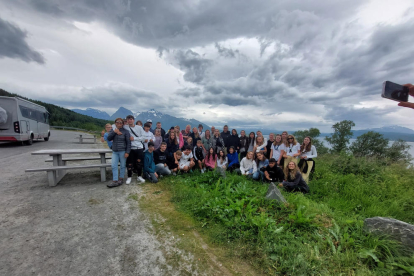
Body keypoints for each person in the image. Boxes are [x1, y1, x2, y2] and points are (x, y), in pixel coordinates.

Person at [107, 118, 131, 188]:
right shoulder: (113, 130)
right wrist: (115, 132)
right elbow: (108, 138)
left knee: (122, 165)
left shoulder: (126, 132)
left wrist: (127, 152)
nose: (119, 123)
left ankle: (121, 179)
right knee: (114, 165)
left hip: (122, 151)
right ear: (115, 123)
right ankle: (114, 180)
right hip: (115, 151)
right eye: (118, 122)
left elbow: (128, 143)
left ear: (123, 124)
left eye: (121, 122)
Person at [124, 115, 146, 185]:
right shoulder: (125, 127)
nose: (129, 120)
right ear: (126, 121)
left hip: (139, 148)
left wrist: (134, 138)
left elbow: (143, 137)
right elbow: (114, 126)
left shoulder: (139, 127)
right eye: (128, 119)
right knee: (129, 164)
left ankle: (139, 176)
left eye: (131, 119)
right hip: (130, 148)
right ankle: (129, 177)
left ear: (133, 120)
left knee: (139, 163)